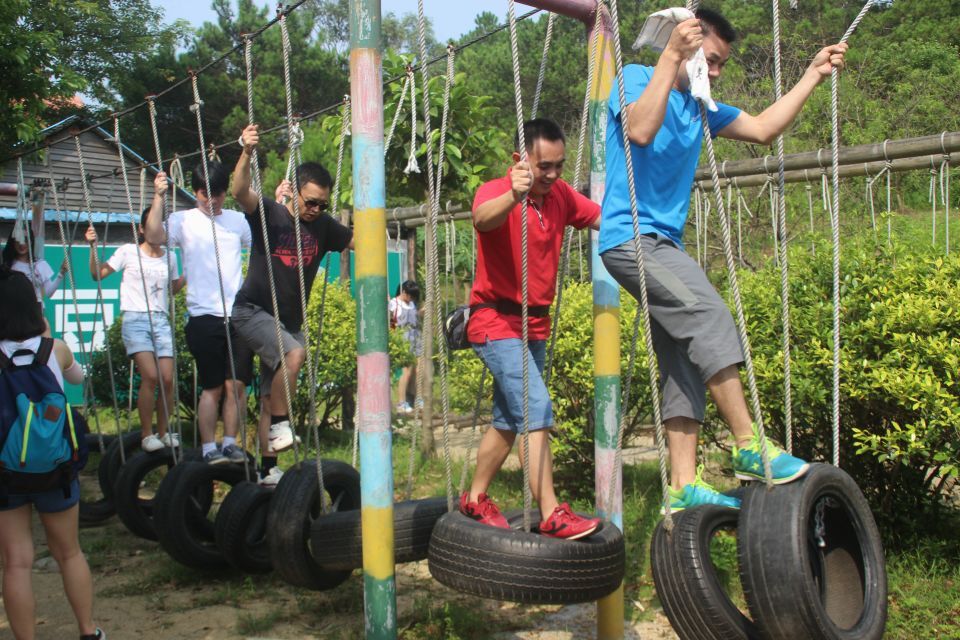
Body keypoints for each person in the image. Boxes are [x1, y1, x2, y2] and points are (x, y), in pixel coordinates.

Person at [600, 8, 847, 511]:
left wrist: (812, 76)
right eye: (710, 61)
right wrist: (671, 56)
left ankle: (684, 485)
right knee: (709, 317)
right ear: (684, 46)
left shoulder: (701, 107)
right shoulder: (636, 78)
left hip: (663, 244)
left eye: (720, 66)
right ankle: (748, 444)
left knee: (684, 360)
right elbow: (641, 130)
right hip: (631, 239)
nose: (714, 73)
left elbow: (762, 130)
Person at [461, 118, 602, 540]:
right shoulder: (496, 190)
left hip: (533, 324)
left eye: (559, 165)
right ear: (520, 159)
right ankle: (552, 512)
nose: (554, 175)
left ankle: (474, 498)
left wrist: (645, 223)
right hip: (494, 319)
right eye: (544, 166)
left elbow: (598, 216)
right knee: (536, 408)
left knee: (508, 419)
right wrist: (513, 195)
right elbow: (482, 219)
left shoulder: (559, 194)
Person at [230, 124, 353, 486]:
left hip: (289, 319)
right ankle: (284, 426)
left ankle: (267, 468)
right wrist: (247, 152)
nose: (315, 209)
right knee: (294, 356)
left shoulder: (325, 227)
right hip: (252, 311)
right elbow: (239, 191)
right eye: (310, 201)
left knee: (271, 396)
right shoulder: (271, 214)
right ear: (295, 192)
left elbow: (360, 242)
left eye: (322, 203)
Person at [0, 267, 105, 640]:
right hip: (56, 469)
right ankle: (87, 631)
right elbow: (77, 379)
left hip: (6, 472)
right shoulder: (55, 349)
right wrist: (46, 335)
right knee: (69, 553)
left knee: (16, 562)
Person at [144, 162, 254, 466]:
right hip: (204, 317)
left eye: (218, 194)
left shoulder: (236, 220)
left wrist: (281, 203)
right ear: (196, 192)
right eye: (207, 195)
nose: (214, 201)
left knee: (237, 385)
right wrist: (158, 197)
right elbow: (153, 236)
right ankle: (208, 448)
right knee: (213, 387)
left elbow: (263, 240)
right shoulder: (183, 220)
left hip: (238, 314)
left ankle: (230, 444)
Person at [85, 209, 186, 453]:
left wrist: (189, 274)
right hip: (135, 319)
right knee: (151, 376)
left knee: (168, 379)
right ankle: (146, 434)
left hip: (161, 320)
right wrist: (92, 247)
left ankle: (163, 432)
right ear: (141, 229)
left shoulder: (170, 258)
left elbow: (171, 290)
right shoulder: (128, 252)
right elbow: (97, 274)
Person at [2, 227, 68, 309]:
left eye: (26, 239)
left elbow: (49, 293)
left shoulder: (40, 264)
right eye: (18, 239)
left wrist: (61, 273)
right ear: (13, 241)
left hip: (35, 313)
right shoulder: (6, 265)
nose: (22, 243)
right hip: (13, 313)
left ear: (31, 241)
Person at [389, 280, 421, 414]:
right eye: (410, 295)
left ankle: (417, 399)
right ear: (404, 292)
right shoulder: (394, 303)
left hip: (415, 337)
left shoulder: (412, 303)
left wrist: (421, 313)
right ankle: (401, 402)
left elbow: (413, 317)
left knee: (419, 370)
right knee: (406, 372)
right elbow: (391, 322)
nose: (411, 299)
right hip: (403, 338)